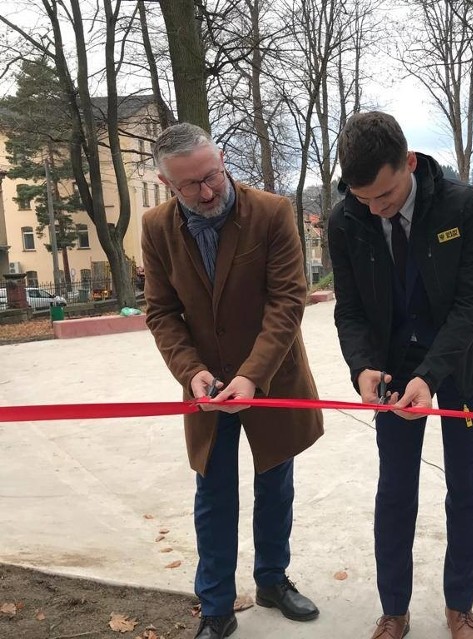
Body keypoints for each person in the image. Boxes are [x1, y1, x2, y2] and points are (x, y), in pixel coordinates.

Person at [142, 123, 324, 639]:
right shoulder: (156, 228)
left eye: (212, 176)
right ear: (165, 183)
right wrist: (192, 371)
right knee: (214, 494)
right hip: (205, 389)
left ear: (221, 159)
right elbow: (162, 312)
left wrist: (251, 376)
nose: (207, 192)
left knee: (275, 483)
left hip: (270, 377)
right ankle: (217, 606)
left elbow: (288, 300)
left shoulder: (270, 212)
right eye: (190, 186)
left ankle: (272, 580)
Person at [328, 111, 473, 639]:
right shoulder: (345, 220)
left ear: (408, 162)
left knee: (467, 487)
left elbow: (470, 304)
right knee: (396, 489)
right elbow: (350, 309)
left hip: (460, 365)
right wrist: (361, 367)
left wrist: (430, 375)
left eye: (384, 196)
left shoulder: (460, 204)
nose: (375, 209)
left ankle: (460, 606)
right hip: (391, 371)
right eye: (363, 199)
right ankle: (394, 610)